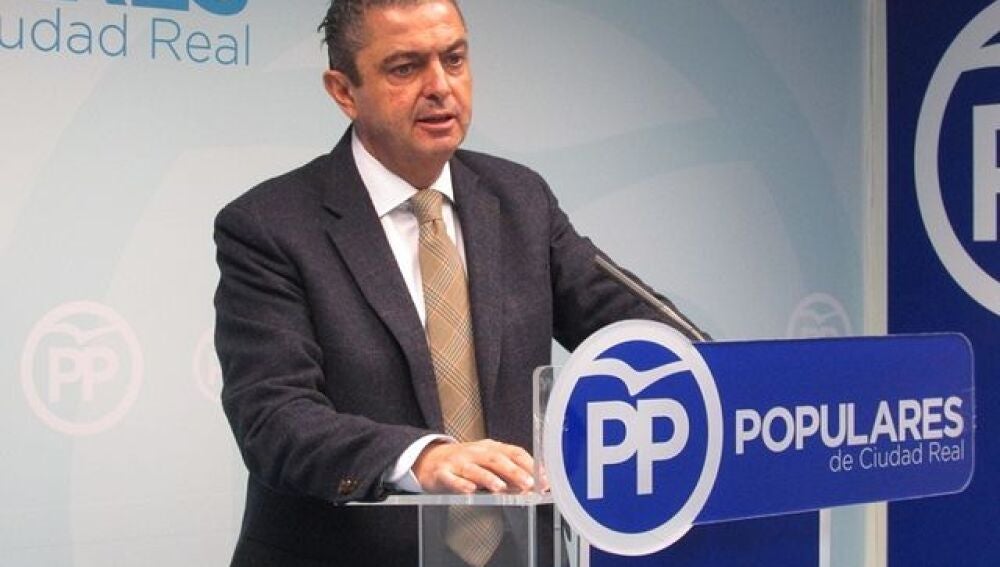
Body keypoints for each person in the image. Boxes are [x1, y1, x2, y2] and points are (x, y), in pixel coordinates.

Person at [213, 1, 708, 565]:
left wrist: (731, 382)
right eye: (405, 67)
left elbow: (635, 325)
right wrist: (421, 458)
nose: (440, 87)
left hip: (517, 553)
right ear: (344, 91)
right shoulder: (270, 226)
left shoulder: (519, 198)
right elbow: (274, 418)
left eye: (454, 59)